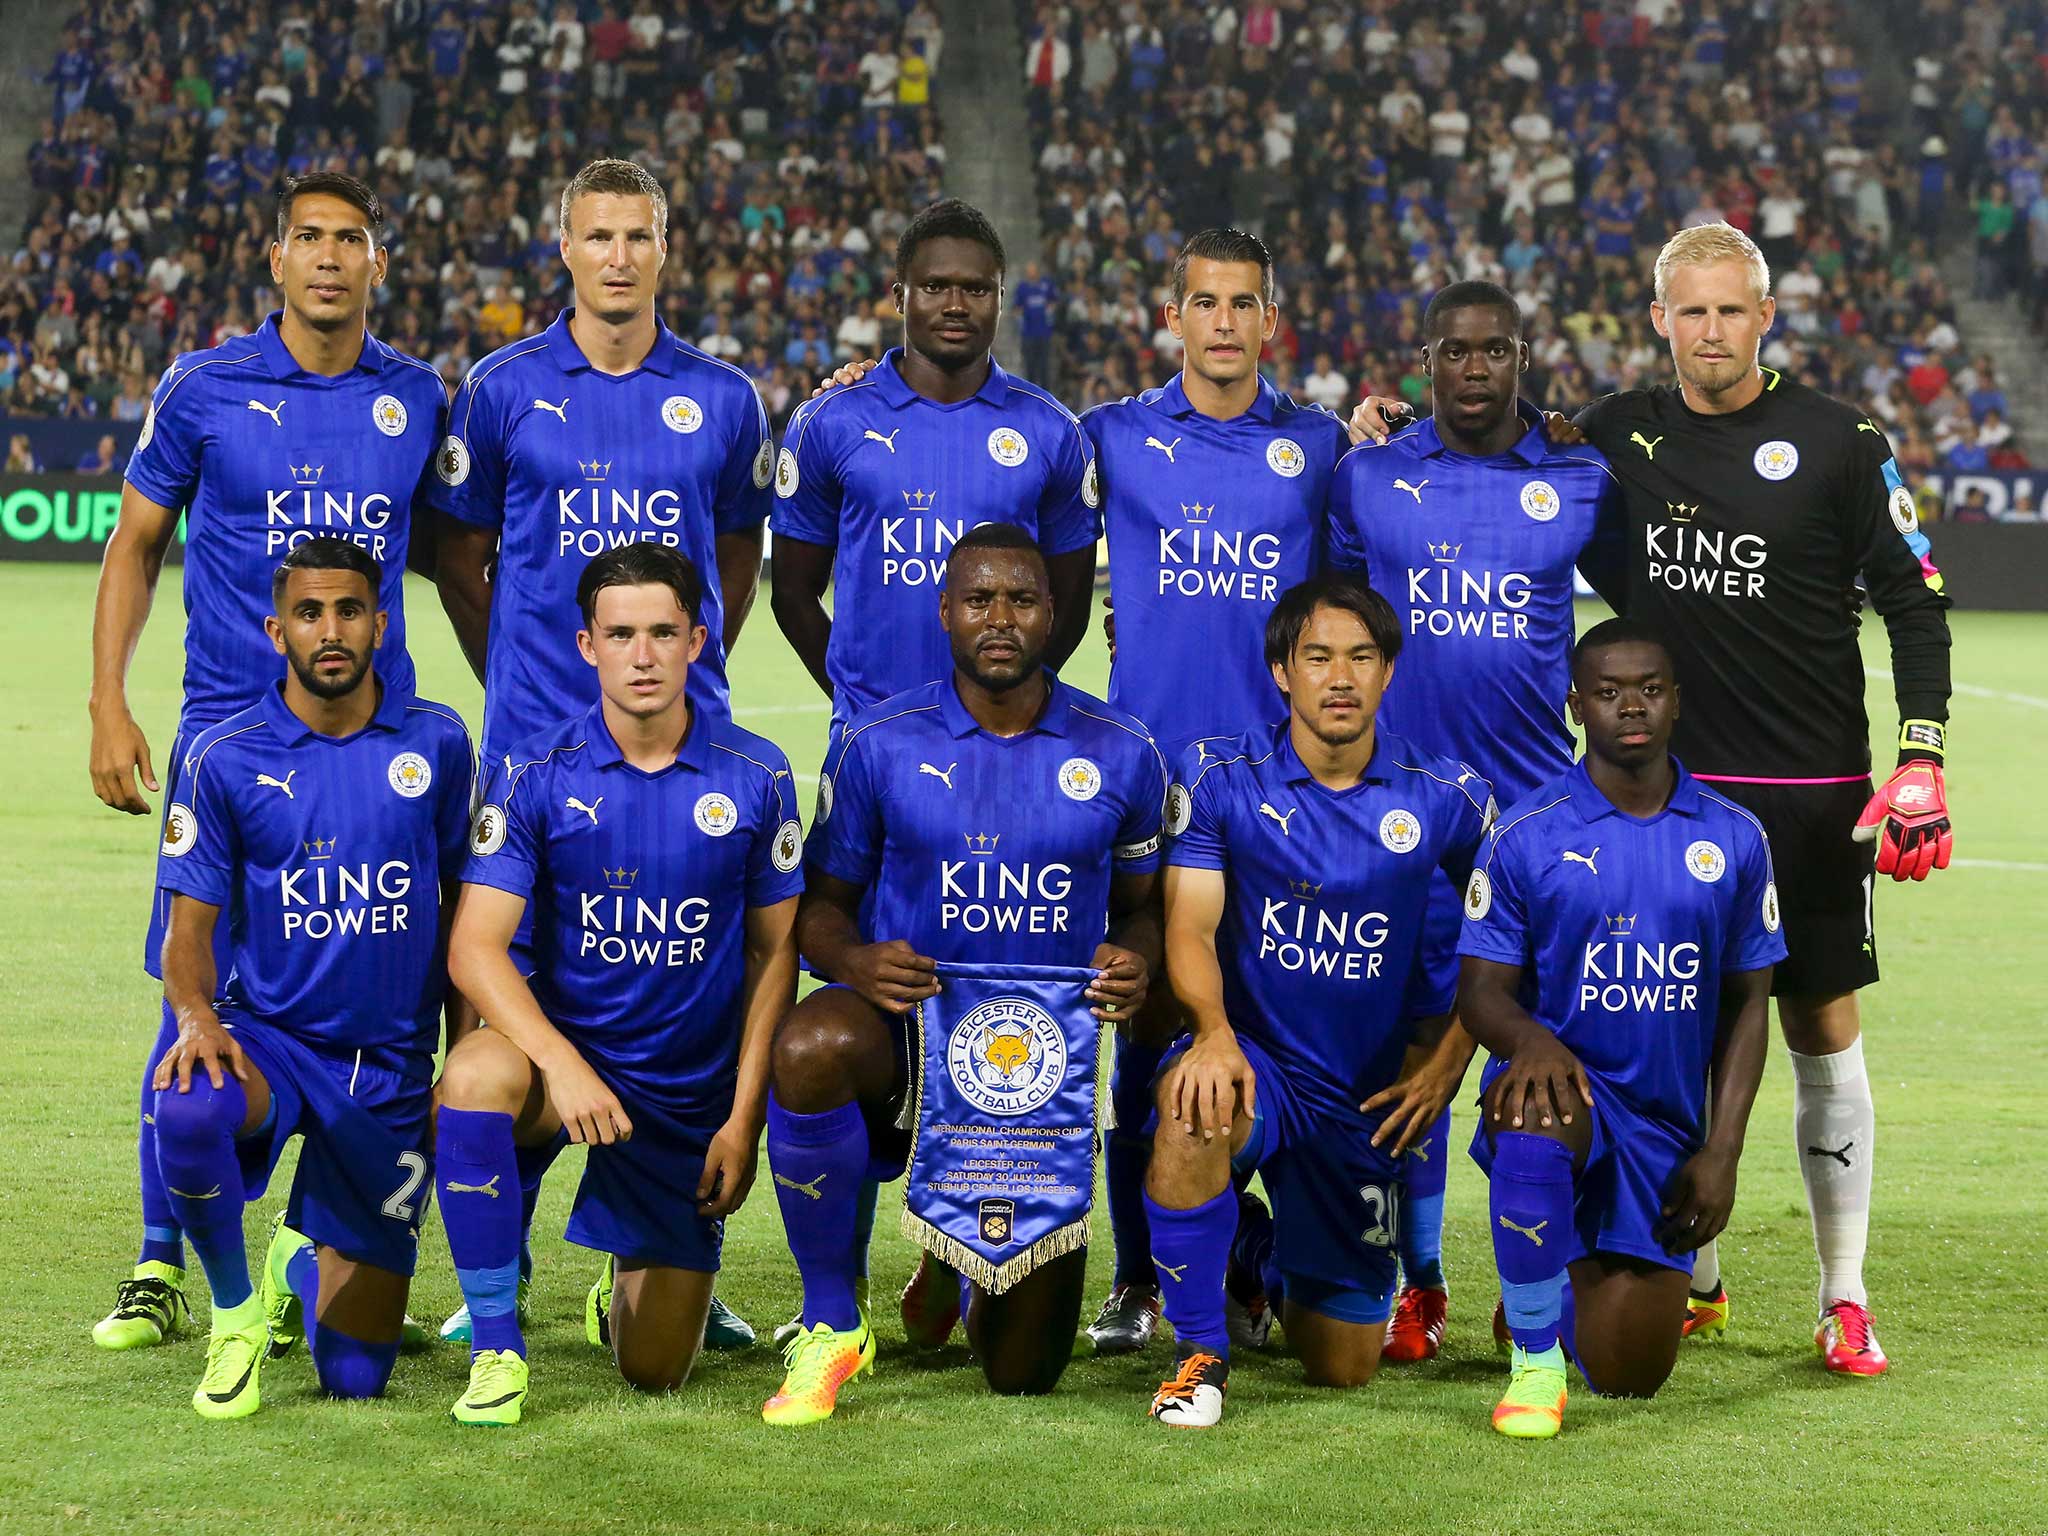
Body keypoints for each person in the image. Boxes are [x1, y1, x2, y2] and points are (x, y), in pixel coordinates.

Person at [1351, 223, 1953, 1372]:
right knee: (1650, 1031)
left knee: (1819, 1031)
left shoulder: (1838, 440)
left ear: (1764, 316)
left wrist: (1919, 756)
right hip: (1655, 797)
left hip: (1808, 795)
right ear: (1657, 319)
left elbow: (1915, 601)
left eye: (1731, 310)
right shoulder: (1618, 431)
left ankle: (1842, 1293)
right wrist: (1376, 427)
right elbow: (1504, 438)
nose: (1710, 331)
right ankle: (1697, 1273)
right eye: (1690, 311)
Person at [87, 170, 448, 1354]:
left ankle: (313, 1230)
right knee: (191, 988)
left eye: (352, 239)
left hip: (369, 747)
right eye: (310, 239)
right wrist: (107, 701)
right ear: (276, 258)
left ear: (378, 263)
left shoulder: (415, 398)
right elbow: (136, 544)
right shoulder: (204, 386)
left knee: (368, 985)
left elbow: (488, 545)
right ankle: (157, 1264)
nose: (331, 258)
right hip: (226, 745)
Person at [431, 157, 773, 1349]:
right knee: (501, 1023)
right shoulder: (500, 387)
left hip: (686, 753)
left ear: (665, 250)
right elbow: (459, 555)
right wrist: (528, 681)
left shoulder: (724, 397)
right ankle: (502, 1276)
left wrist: (677, 663)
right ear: (562, 248)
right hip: (535, 748)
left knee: (688, 990)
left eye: (638, 236)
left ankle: (669, 1247)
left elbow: (731, 558)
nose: (618, 256)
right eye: (597, 236)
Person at [760, 522, 1163, 1423]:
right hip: (911, 1039)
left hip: (1037, 1082)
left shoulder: (1120, 749)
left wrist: (1135, 955)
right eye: (979, 599)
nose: (1001, 619)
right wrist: (856, 959)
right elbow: (817, 907)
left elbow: (1144, 903)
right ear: (945, 612)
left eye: (1022, 600)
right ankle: (833, 1319)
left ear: (1052, 616)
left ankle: (956, 1257)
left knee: (1021, 1375)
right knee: (813, 1042)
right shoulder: (879, 743)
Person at [1322, 280, 1623, 1364]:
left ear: (1523, 355)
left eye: (1494, 351)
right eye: (1454, 352)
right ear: (1424, 360)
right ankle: (1420, 1284)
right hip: (1402, 818)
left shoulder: (1579, 475)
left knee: (1529, 1061)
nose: (1474, 368)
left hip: (1537, 823)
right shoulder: (1367, 473)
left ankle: (1532, 1271)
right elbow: (1339, 617)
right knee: (1405, 1059)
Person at [435, 544, 801, 1426]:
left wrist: (741, 1121)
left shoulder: (758, 775)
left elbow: (774, 957)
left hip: (681, 1094)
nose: (643, 655)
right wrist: (561, 1065)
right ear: (586, 645)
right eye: (622, 633)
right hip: (561, 1071)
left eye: (663, 633)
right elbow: (475, 951)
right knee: (477, 1076)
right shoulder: (534, 771)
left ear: (698, 642)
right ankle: (496, 1344)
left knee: (655, 1371)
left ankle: (625, 1281)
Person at [1078, 227, 1348, 1355]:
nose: (1224, 323)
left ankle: (1279, 1260)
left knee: (1288, 1024)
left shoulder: (1321, 447)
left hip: (1284, 800)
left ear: (1270, 321)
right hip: (1149, 796)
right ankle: (1145, 1277)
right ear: (1173, 318)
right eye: (1205, 302)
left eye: (1244, 303)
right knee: (1144, 1037)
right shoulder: (1110, 436)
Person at [1142, 575, 1494, 1427]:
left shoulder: (1448, 796)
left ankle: (1255, 1252)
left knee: (1344, 1366)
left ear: (1388, 673)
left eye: (1362, 657)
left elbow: (1504, 946)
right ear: (1281, 673)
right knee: (1195, 1100)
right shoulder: (1222, 776)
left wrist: (1445, 1067)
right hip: (1259, 1065)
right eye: (1319, 657)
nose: (1341, 677)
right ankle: (1200, 1354)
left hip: (1361, 1097)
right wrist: (1215, 1035)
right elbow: (1188, 927)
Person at [150, 537, 475, 1418]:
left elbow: (465, 923)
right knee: (185, 1100)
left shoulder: (439, 743)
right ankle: (234, 1314)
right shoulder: (223, 755)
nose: (329, 631)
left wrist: (465, 1062)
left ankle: (301, 1259)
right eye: (307, 612)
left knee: (355, 1379)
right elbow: (187, 935)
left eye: (347, 611)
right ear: (275, 629)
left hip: (392, 1073)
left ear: (379, 621)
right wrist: (193, 1015)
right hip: (274, 1045)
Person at [1458, 619, 1781, 1437]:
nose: (1629, 706)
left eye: (1648, 688)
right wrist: (1529, 1042)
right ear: (1576, 706)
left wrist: (1722, 1153)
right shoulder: (1526, 833)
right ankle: (1533, 1366)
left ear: (1677, 701)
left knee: (1630, 1378)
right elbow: (1481, 994)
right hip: (1566, 1098)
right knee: (1536, 1103)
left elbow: (1749, 1003)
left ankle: (1544, 1273)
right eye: (1607, 692)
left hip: (1666, 1129)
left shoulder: (1735, 837)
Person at [768, 198, 1100, 732]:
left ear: (999, 299)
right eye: (934, 287)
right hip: (868, 737)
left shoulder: (1052, 431)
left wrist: (1006, 700)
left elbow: (1071, 605)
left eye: (975, 289)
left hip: (1003, 740)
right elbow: (791, 592)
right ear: (900, 297)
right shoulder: (831, 421)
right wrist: (856, 700)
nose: (955, 305)